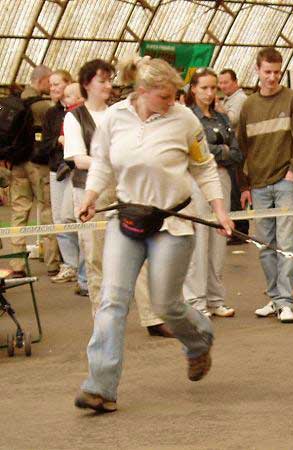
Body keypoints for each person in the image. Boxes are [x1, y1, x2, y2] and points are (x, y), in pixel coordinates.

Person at [74, 57, 233, 413]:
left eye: (176, 94)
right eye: (165, 96)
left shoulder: (184, 119)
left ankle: (198, 340)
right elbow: (101, 162)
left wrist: (220, 210)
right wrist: (89, 198)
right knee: (112, 302)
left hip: (172, 222)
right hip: (128, 219)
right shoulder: (114, 118)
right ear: (142, 92)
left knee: (166, 305)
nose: (173, 101)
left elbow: (204, 166)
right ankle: (100, 387)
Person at [64, 59, 170, 336]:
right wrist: (109, 162)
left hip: (125, 190)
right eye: (102, 81)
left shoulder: (118, 113)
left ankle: (152, 317)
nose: (108, 86)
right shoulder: (74, 117)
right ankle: (103, 322)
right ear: (87, 84)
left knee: (141, 251)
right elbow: (77, 158)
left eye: (110, 80)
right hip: (91, 193)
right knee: (97, 259)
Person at [238, 47, 293, 324]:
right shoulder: (248, 106)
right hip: (259, 185)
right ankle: (274, 298)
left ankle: (285, 301)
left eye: (276, 72)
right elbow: (242, 147)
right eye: (267, 72)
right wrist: (245, 184)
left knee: (287, 242)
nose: (272, 77)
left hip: (285, 183)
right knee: (265, 245)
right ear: (257, 71)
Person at [183, 68, 243, 318]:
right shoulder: (187, 118)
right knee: (199, 242)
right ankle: (195, 301)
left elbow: (237, 153)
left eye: (213, 88)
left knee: (219, 238)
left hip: (223, 179)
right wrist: (222, 150)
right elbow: (198, 153)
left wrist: (221, 152)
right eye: (204, 88)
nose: (209, 93)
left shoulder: (223, 119)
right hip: (196, 180)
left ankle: (215, 298)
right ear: (193, 89)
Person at [8, 65, 61, 278]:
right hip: (38, 164)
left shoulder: (16, 101)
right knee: (47, 209)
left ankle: (16, 264)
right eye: (50, 82)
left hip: (18, 162)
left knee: (19, 211)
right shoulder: (44, 106)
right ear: (43, 81)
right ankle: (52, 262)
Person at [41, 70, 88, 295]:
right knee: (60, 219)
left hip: (77, 171)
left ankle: (83, 269)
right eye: (50, 85)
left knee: (76, 217)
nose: (53, 88)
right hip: (57, 169)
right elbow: (43, 143)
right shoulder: (51, 114)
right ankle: (69, 264)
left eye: (57, 84)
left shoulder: (83, 114)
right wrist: (58, 141)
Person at [217, 68, 249, 241]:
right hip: (231, 153)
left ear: (235, 82)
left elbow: (232, 119)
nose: (222, 86)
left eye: (225, 82)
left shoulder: (240, 99)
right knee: (232, 192)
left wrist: (219, 110)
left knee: (237, 192)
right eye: (220, 83)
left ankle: (240, 231)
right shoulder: (229, 99)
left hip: (238, 153)